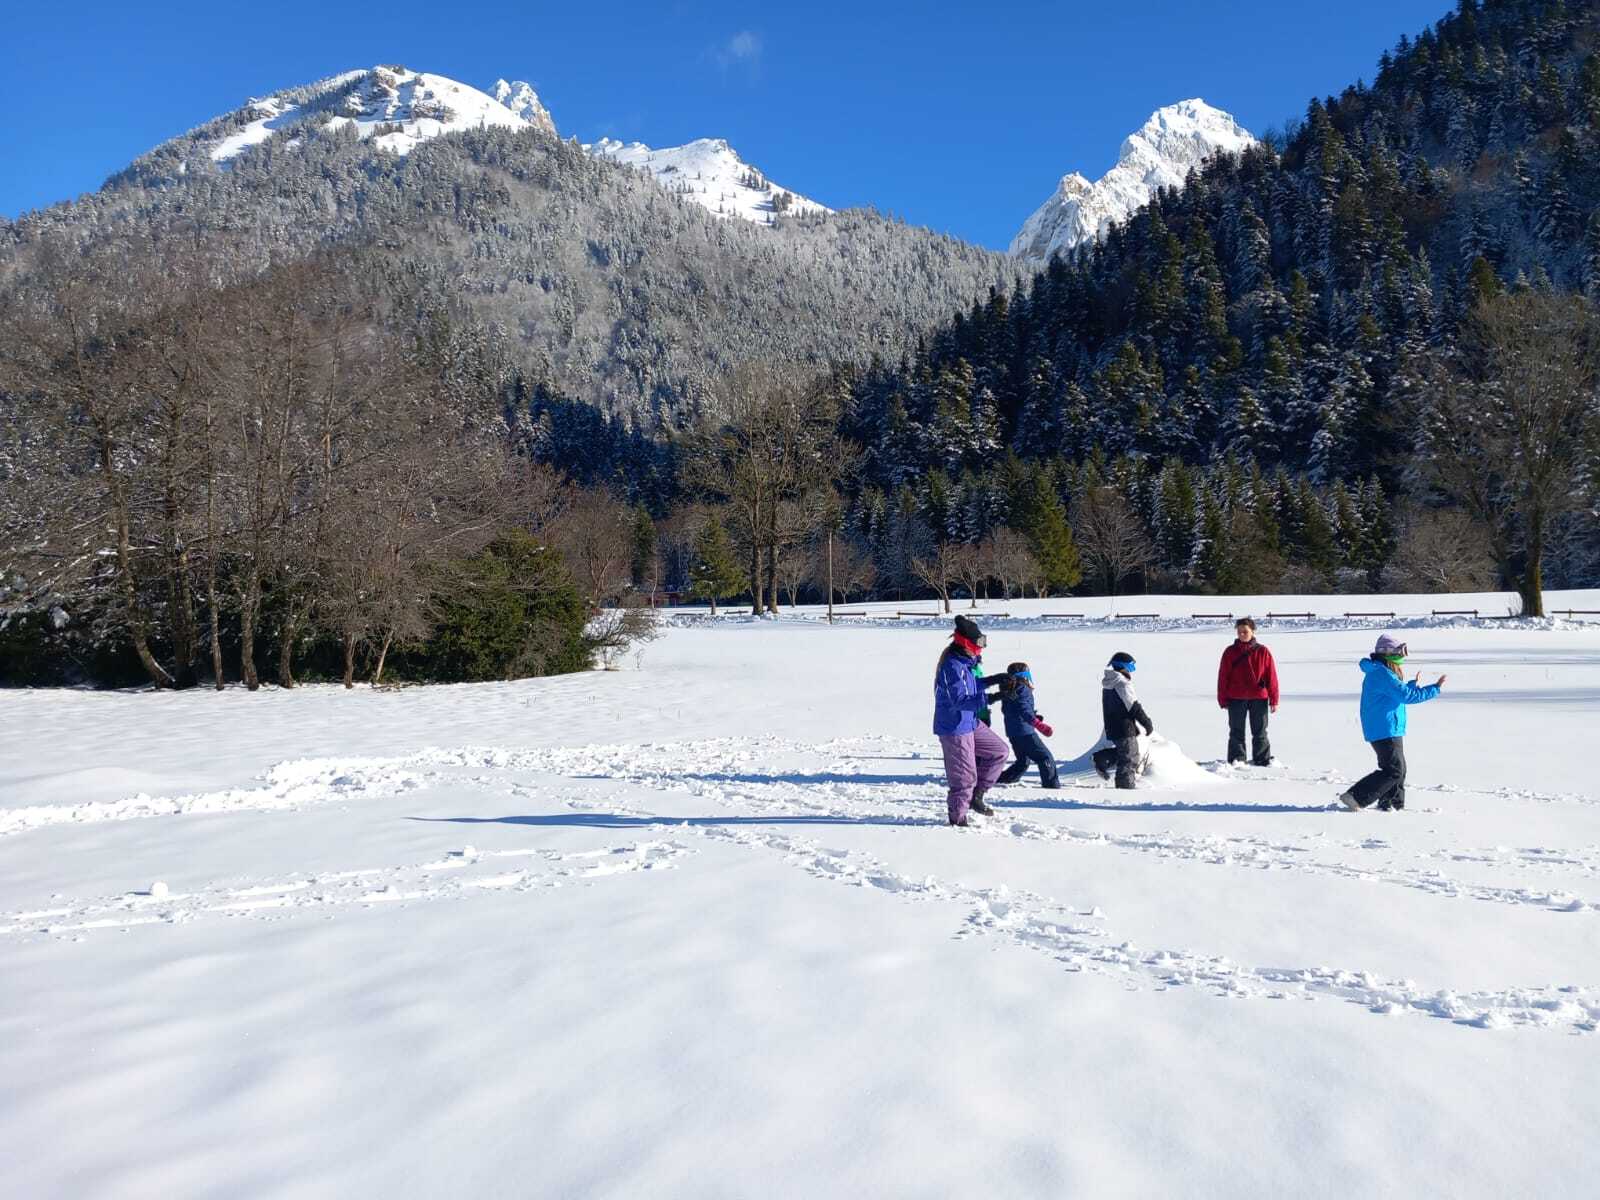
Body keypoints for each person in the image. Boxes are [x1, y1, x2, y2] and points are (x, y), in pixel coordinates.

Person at [1338, 634, 1446, 812]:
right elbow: (1406, 696)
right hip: (1384, 729)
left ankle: (1391, 805)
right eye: (1400, 652)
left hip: (1389, 728)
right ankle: (1355, 796)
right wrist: (1434, 688)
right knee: (1393, 771)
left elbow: (1397, 695)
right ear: (1388, 653)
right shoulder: (1382, 674)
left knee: (1399, 771)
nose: (1403, 656)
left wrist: (1411, 685)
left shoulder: (1382, 672)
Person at [933, 616, 1012, 826]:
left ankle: (976, 797)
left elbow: (971, 686)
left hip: (970, 721)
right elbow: (960, 700)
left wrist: (995, 679)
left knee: (999, 751)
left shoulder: (965, 663)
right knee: (964, 778)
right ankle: (958, 821)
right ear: (966, 643)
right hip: (955, 727)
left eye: (983, 642)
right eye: (979, 643)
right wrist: (993, 698)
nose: (981, 648)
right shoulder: (952, 666)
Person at [1217, 616, 1280, 766]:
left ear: (1252, 631)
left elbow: (1271, 676)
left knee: (1260, 731)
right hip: (1236, 697)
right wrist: (1222, 698)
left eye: (1245, 631)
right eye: (1239, 632)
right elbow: (1223, 676)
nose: (1242, 634)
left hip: (1259, 697)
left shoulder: (1263, 651)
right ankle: (1237, 760)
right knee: (1236, 731)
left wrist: (1274, 699)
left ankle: (1262, 759)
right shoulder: (1230, 652)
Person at [1092, 651, 1155, 790]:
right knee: (1130, 757)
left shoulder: (1110, 682)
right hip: (1123, 725)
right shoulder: (1122, 683)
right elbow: (1132, 705)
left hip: (1113, 724)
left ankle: (1102, 758)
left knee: (1128, 752)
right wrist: (1146, 722)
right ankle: (1125, 787)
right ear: (1125, 666)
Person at [995, 662, 1061, 789]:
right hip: (1025, 732)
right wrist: (1038, 724)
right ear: (1024, 676)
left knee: (1023, 761)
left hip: (1013, 732)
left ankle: (998, 779)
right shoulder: (1022, 689)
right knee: (1045, 757)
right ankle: (1051, 786)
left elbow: (1013, 710)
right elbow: (1024, 710)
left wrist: (1034, 717)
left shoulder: (1008, 689)